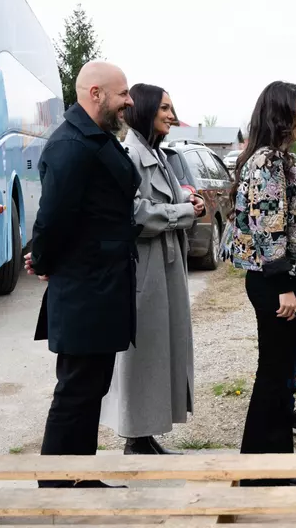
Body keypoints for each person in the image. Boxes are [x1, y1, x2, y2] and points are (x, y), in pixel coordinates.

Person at [25, 61, 138, 488]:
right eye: (122, 93)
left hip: (101, 286)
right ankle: (54, 487)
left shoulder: (95, 137)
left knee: (91, 388)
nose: (128, 100)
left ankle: (81, 478)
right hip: (85, 289)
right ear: (95, 94)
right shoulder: (71, 145)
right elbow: (53, 220)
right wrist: (44, 261)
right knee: (75, 391)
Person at [220, 81, 296, 486]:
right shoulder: (269, 161)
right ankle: (265, 472)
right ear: (281, 115)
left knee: (275, 371)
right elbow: (269, 229)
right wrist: (286, 286)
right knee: (273, 373)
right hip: (274, 283)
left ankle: (263, 466)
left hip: (277, 280)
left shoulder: (273, 157)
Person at [99, 84, 205, 455]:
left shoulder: (157, 155)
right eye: (164, 108)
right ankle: (135, 437)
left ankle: (144, 435)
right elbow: (137, 216)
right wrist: (185, 212)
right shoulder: (130, 155)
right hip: (146, 268)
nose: (171, 116)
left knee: (160, 349)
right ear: (144, 110)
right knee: (143, 353)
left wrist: (189, 202)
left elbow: (164, 206)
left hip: (164, 264)